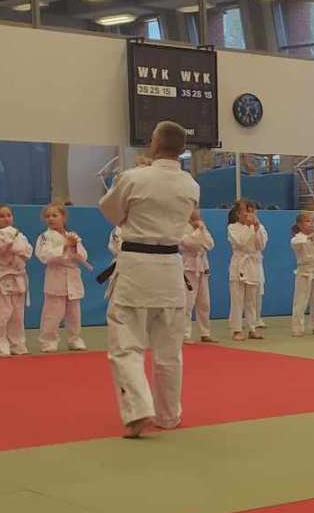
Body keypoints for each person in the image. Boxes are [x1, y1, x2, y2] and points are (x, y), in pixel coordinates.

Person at [98, 122, 200, 438]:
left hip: (137, 270)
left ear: (155, 143)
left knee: (126, 345)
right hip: (170, 269)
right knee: (169, 351)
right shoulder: (191, 185)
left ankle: (138, 409)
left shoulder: (133, 178)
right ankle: (169, 415)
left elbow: (111, 212)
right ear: (181, 148)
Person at [35, 203, 90, 353]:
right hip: (56, 276)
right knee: (52, 314)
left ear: (64, 217)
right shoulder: (45, 237)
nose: (51, 219)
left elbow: (84, 256)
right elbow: (44, 256)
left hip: (72, 277)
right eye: (47, 216)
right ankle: (48, 341)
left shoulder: (72, 236)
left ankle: (75, 339)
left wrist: (74, 246)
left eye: (55, 215)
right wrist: (64, 246)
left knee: (74, 314)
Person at [0, 204, 31, 357]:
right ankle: (0, 347)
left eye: (9, 215)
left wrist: (15, 248)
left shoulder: (20, 234)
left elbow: (27, 251)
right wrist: (12, 242)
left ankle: (18, 345)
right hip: (1, 278)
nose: (6, 218)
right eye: (2, 216)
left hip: (17, 277)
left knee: (17, 315)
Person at [226, 199, 267, 341]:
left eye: (252, 211)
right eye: (246, 211)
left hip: (253, 264)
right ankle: (236, 329)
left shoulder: (259, 227)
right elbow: (241, 242)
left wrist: (256, 227)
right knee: (237, 300)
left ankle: (252, 328)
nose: (250, 214)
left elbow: (261, 245)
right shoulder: (233, 227)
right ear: (238, 213)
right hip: (239, 264)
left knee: (252, 300)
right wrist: (250, 227)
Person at [178, 210, 215, 344]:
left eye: (198, 209)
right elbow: (188, 243)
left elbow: (210, 244)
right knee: (188, 303)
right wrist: (199, 233)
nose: (197, 212)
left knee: (204, 302)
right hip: (188, 267)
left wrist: (201, 229)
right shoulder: (182, 226)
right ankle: (185, 334)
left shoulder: (202, 226)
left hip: (202, 266)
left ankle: (205, 333)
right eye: (194, 209)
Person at [290, 211, 314, 336]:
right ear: (299, 225)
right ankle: (297, 328)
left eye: (313, 222)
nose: (312, 224)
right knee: (301, 301)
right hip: (304, 273)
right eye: (308, 221)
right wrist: (312, 236)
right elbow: (296, 242)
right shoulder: (298, 238)